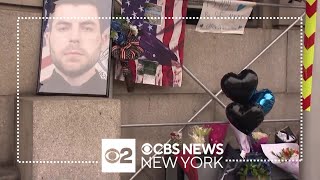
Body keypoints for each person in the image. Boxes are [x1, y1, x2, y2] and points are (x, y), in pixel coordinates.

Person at [38, 0, 111, 95]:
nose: (74, 38)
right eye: (63, 28)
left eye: (87, 28)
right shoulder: (42, 89)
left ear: (104, 40)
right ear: (48, 39)